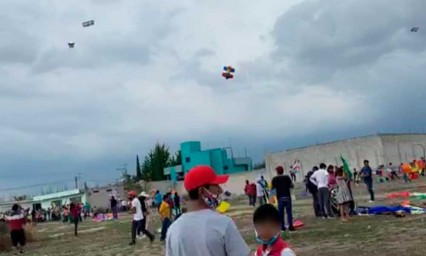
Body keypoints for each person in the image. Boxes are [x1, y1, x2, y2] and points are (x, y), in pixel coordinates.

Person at [165, 165, 250, 256]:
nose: (220, 190)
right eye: (216, 185)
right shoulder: (223, 223)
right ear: (202, 191)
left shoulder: (173, 230)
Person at [271, 166, 295, 232]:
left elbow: (272, 189)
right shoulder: (287, 177)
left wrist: (272, 200)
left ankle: (282, 227)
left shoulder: (275, 179)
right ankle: (291, 227)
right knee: (289, 213)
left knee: (281, 213)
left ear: (277, 171)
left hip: (280, 198)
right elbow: (292, 186)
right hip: (287, 197)